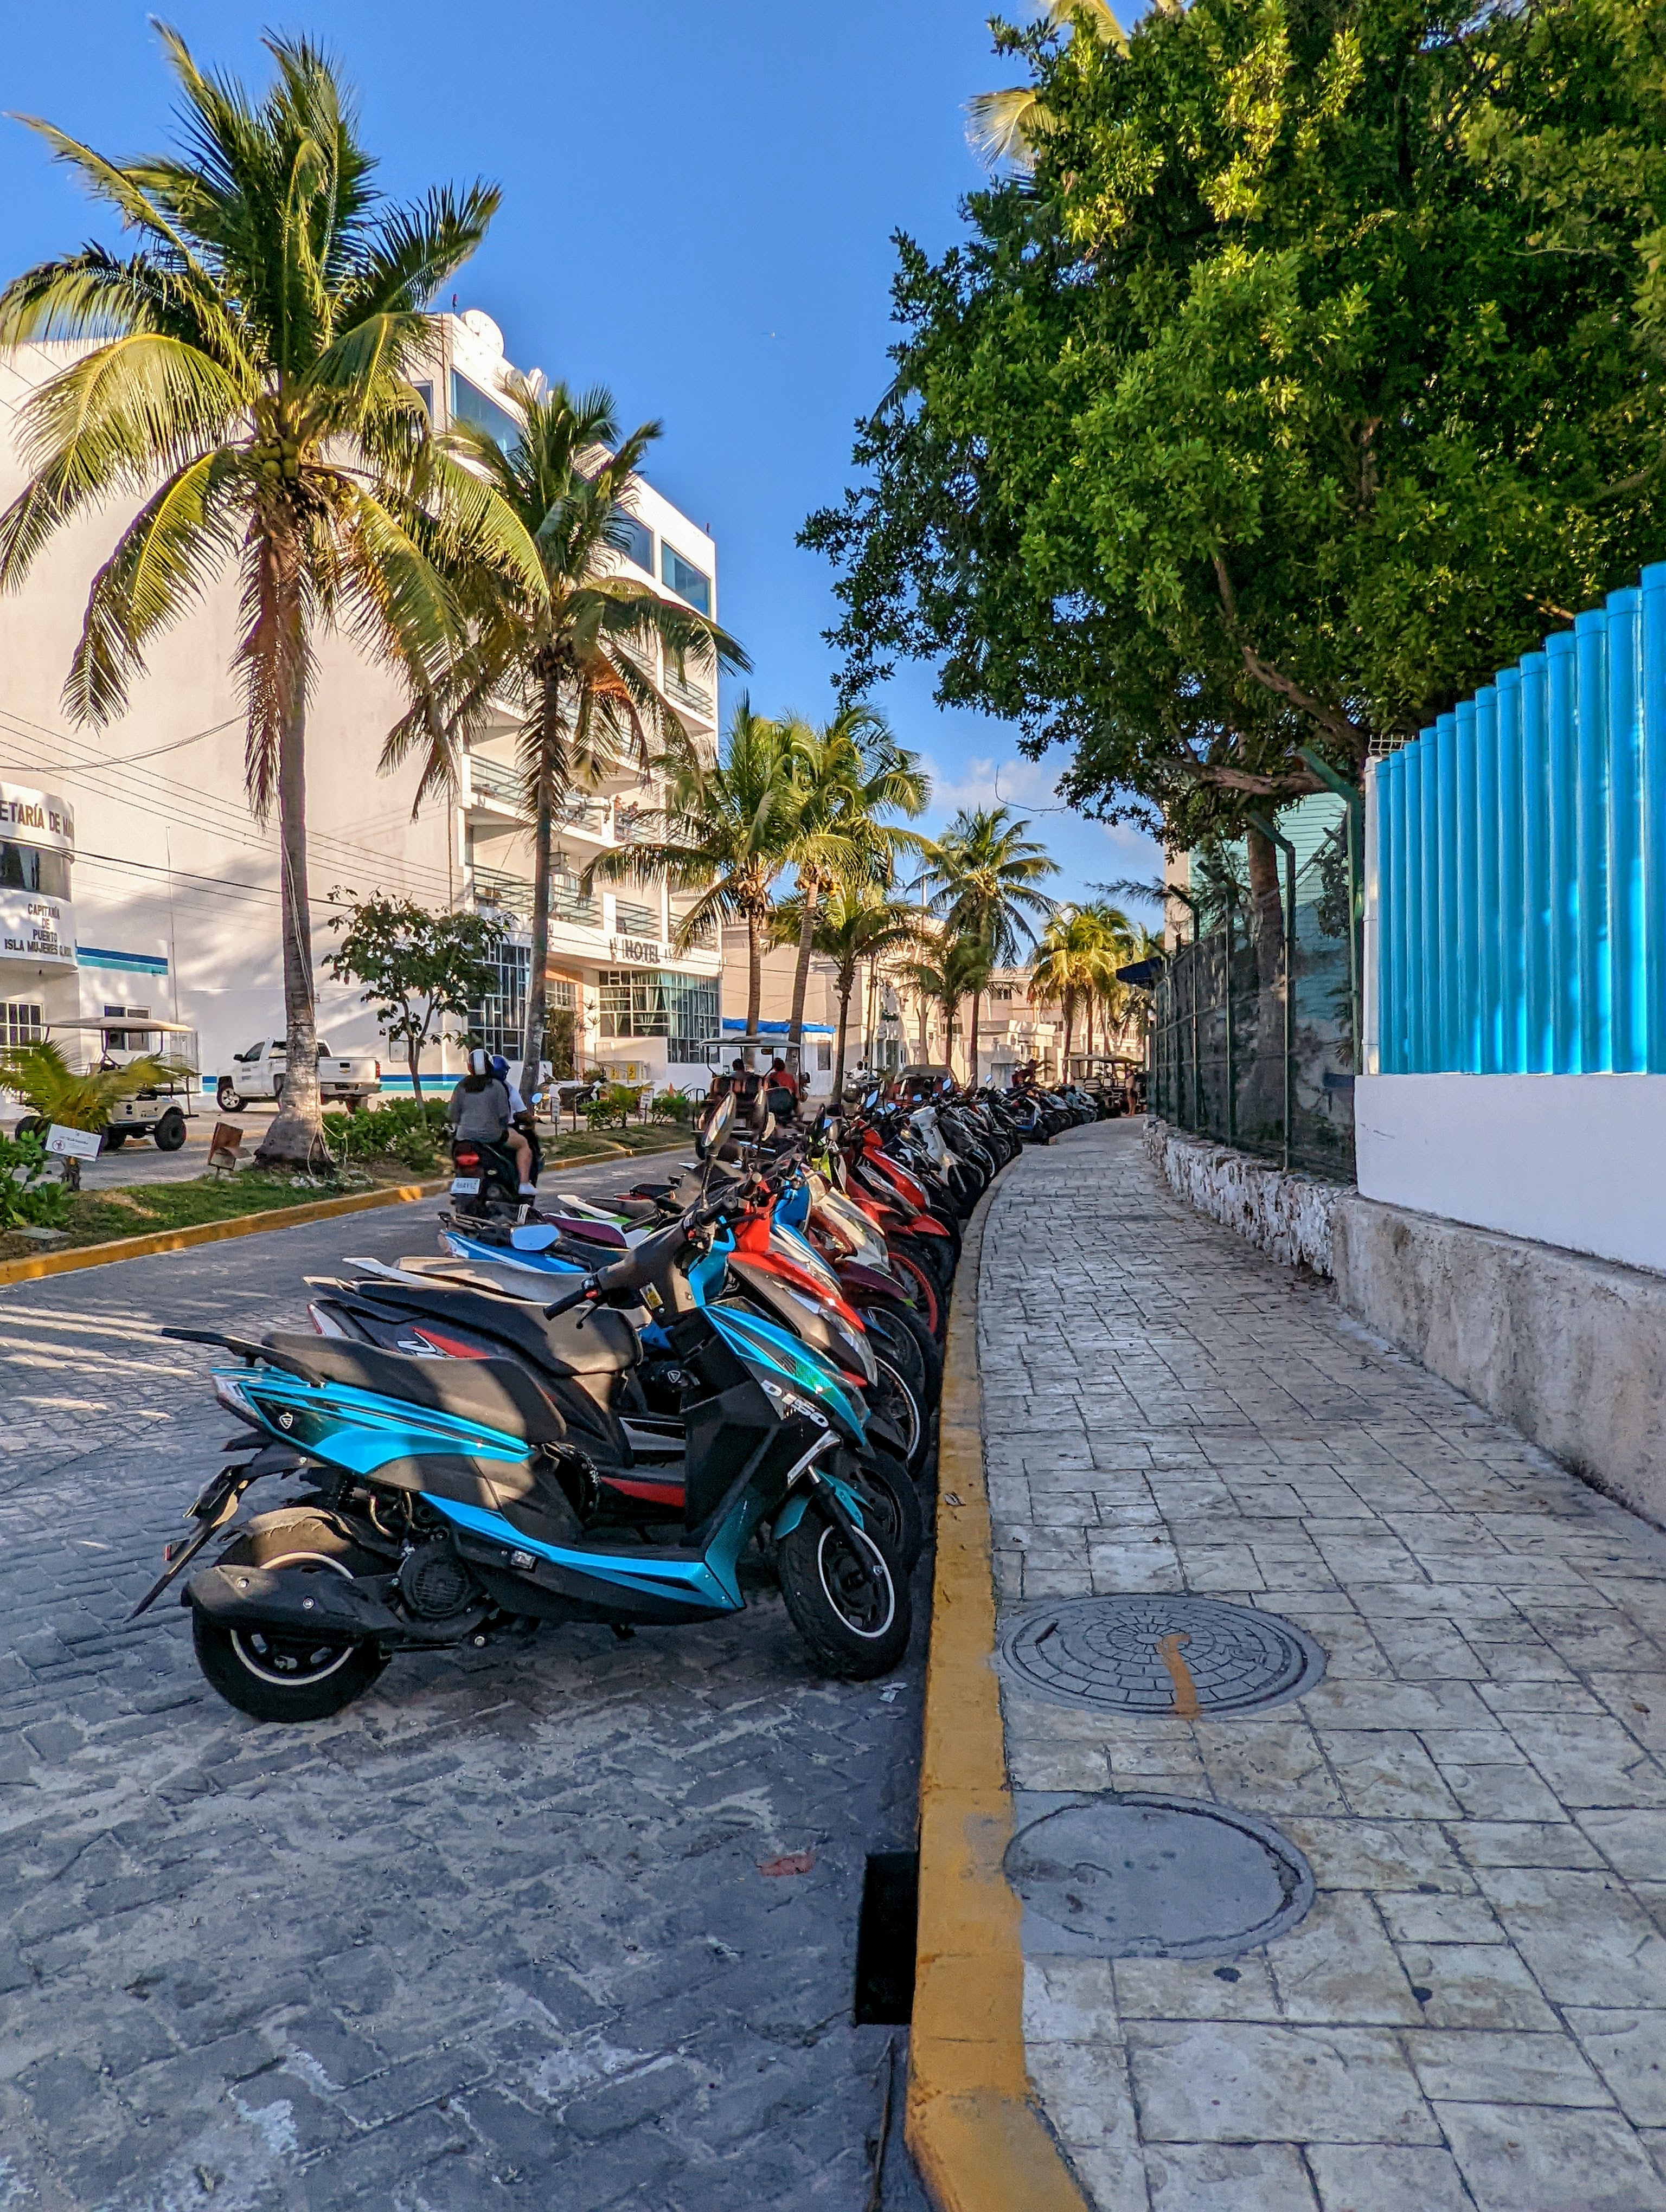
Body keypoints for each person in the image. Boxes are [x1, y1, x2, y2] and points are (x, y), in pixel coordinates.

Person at [447, 1049, 535, 1195]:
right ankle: (524, 1185)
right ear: (489, 1065)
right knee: (523, 1144)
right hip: (492, 1136)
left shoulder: (461, 1086)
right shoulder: (497, 1086)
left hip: (464, 1137)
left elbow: (453, 1114)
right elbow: (504, 1116)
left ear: (470, 1067)